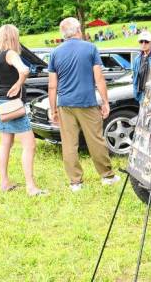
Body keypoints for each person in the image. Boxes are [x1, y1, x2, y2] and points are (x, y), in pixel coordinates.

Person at [48, 17, 120, 191]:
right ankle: (107, 176)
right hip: (87, 102)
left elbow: (52, 85)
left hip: (65, 104)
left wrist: (53, 109)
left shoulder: (55, 53)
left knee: (69, 143)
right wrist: (105, 101)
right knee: (95, 139)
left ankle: (75, 182)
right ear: (78, 30)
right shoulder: (90, 48)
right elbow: (99, 78)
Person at [0, 24, 46, 196]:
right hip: (13, 105)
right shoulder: (10, 54)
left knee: (5, 142)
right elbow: (24, 70)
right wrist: (18, 84)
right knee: (29, 144)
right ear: (14, 37)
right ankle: (31, 187)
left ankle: (4, 182)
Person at [132, 31, 151, 104]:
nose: (143, 44)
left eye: (146, 41)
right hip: (142, 96)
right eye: (141, 41)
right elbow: (135, 77)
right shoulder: (137, 59)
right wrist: (136, 93)